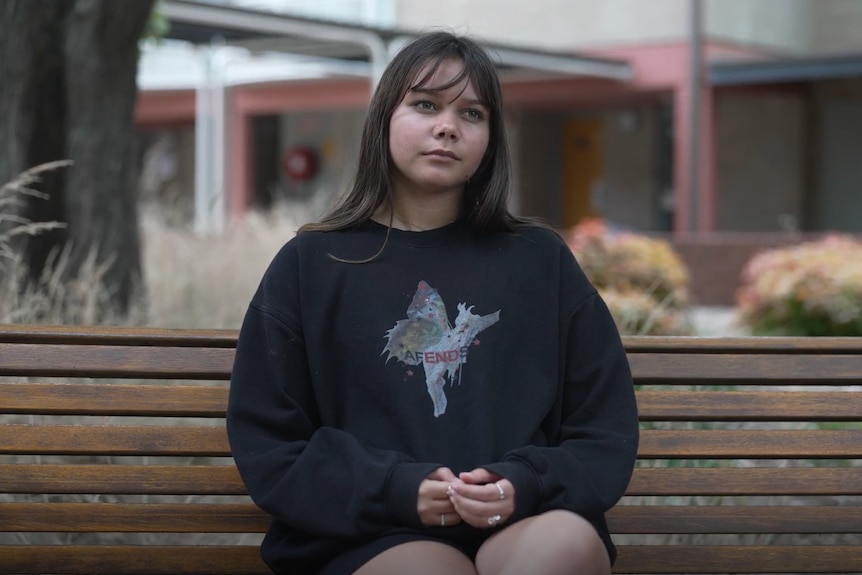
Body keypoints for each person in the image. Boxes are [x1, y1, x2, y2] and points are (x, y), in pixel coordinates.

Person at [226, 30, 639, 575]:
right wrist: (396, 488)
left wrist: (524, 483)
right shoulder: (313, 264)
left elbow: (602, 424)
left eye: (472, 113)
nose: (447, 125)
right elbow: (272, 440)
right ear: (384, 119)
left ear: (490, 137)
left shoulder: (539, 261)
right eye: (425, 105)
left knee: (563, 549)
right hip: (367, 531)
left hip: (522, 518)